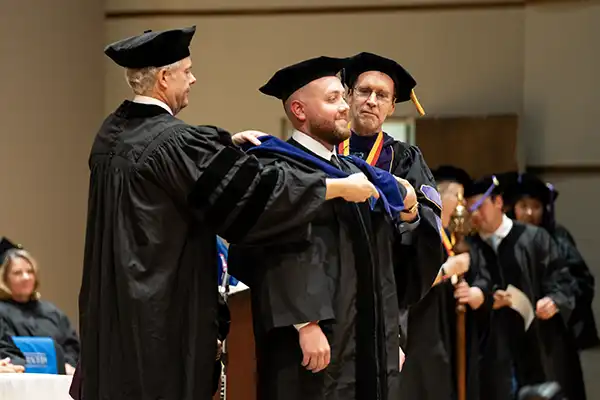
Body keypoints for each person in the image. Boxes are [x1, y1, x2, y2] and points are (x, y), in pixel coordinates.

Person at [74, 28, 379, 400]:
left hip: (114, 309)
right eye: (186, 71)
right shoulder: (177, 142)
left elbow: (177, 179)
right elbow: (252, 196)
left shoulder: (111, 134)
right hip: (159, 311)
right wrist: (333, 187)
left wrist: (224, 146)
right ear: (164, 77)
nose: (193, 78)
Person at [228, 56, 455, 400]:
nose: (347, 107)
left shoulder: (355, 172)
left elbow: (383, 258)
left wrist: (387, 331)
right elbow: (270, 250)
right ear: (300, 110)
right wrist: (306, 322)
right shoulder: (275, 167)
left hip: (360, 337)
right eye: (336, 99)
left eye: (340, 97)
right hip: (311, 340)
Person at [340, 51, 445, 348]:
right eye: (364, 91)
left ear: (391, 106)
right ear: (348, 96)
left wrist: (409, 215)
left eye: (382, 95)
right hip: (329, 290)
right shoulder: (327, 150)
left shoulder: (406, 160)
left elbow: (430, 229)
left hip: (384, 291)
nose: (371, 100)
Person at [463, 175, 578, 400]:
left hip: (536, 342)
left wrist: (554, 301)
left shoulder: (534, 239)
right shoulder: (470, 248)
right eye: (470, 209)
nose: (475, 215)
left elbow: (562, 280)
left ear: (498, 203)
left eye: (479, 207)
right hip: (493, 352)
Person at [399, 165, 486, 400]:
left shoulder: (452, 236)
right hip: (421, 329)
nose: (463, 204)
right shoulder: (420, 231)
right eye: (457, 196)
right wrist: (448, 270)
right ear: (439, 195)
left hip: (444, 329)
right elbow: (408, 278)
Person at [502, 171, 599, 351]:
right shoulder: (503, 239)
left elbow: (581, 281)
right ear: (513, 208)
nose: (529, 213)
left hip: (551, 332)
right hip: (512, 331)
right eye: (523, 205)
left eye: (536, 206)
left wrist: (558, 300)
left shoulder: (557, 237)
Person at [0, 238, 79, 375]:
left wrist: (66, 365)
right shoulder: (2, 312)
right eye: (18, 273)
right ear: (4, 278)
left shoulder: (53, 313)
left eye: (30, 272)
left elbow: (72, 347)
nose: (26, 277)